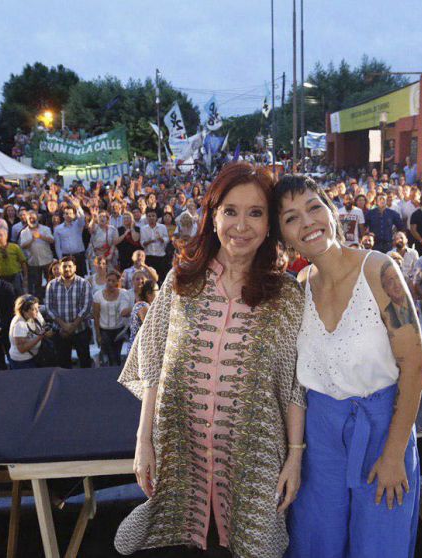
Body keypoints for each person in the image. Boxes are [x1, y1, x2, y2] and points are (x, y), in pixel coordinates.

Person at [116, 163, 305, 556]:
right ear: (213, 216)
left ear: (269, 223)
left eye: (255, 212)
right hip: (180, 455)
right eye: (230, 211)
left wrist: (294, 457)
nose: (241, 225)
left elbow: (294, 385)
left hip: (253, 461)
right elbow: (153, 363)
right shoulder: (182, 279)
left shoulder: (285, 296)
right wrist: (143, 440)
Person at [273, 174, 422, 558]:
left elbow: (415, 365)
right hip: (319, 436)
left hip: (381, 428)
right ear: (283, 237)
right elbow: (295, 381)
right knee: (315, 541)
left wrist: (393, 455)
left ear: (330, 210)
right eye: (291, 218)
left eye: (313, 207)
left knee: (379, 544)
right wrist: (295, 454)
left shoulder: (379, 270)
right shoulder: (300, 286)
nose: (307, 222)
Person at [45, 256, 94, 368]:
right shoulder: (51, 285)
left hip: (80, 330)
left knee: (85, 363)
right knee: (63, 365)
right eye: (64, 266)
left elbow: (86, 307)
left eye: (69, 266)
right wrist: (64, 326)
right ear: (60, 268)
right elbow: (49, 308)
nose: (67, 269)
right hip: (60, 331)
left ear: (75, 268)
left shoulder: (84, 284)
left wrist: (72, 327)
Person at [93, 269, 132, 366]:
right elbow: (96, 316)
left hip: (119, 330)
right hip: (105, 330)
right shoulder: (98, 295)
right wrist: (98, 335)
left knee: (116, 354)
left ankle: (116, 375)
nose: (110, 283)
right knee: (110, 356)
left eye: (113, 281)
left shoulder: (123, 293)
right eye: (108, 280)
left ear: (117, 282)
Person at [8, 294, 54, 369]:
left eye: (37, 307)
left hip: (35, 356)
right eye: (33, 309)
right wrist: (40, 337)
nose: (37, 311)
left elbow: (44, 325)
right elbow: (21, 349)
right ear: (24, 311)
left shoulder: (36, 314)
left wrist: (47, 331)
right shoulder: (19, 324)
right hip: (22, 362)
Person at [18, 210, 55, 299]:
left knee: (51, 281)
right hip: (33, 262)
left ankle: (53, 298)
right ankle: (39, 301)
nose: (32, 220)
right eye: (30, 218)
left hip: (47, 260)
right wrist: (32, 239)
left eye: (33, 218)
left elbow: (52, 240)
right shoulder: (24, 232)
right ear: (26, 219)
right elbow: (22, 245)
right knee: (36, 284)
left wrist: (40, 236)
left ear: (37, 218)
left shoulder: (45, 229)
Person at [0, 228, 28, 294]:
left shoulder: (15, 247)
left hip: (15, 275)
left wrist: (25, 276)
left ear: (6, 236)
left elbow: (23, 262)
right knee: (3, 294)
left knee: (18, 293)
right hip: (0, 276)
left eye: (1, 235)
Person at [54, 204, 87, 275]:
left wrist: (78, 206)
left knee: (81, 276)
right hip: (66, 257)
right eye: (66, 213)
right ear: (63, 215)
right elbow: (57, 246)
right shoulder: (58, 229)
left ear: (74, 215)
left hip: (79, 256)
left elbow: (82, 217)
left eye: (70, 213)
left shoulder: (78, 225)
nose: (68, 215)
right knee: (68, 277)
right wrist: (60, 260)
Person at [138, 210, 169, 281]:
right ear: (146, 218)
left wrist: (161, 239)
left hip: (160, 256)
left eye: (153, 216)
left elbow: (167, 239)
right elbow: (142, 243)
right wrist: (149, 241)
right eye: (149, 216)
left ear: (156, 217)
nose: (151, 218)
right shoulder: (143, 228)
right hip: (149, 256)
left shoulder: (162, 227)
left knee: (161, 277)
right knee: (149, 278)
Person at [128, 278, 157, 344]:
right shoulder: (144, 307)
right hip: (139, 348)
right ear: (148, 293)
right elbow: (149, 328)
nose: (159, 293)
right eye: (157, 290)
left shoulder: (142, 304)